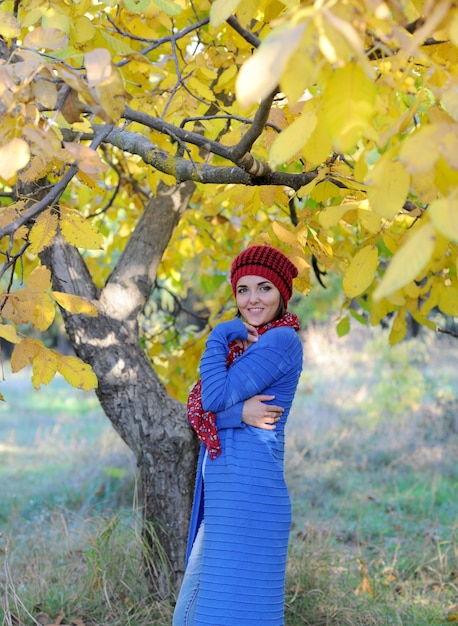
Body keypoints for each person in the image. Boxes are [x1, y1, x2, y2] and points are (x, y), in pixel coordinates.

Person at [173, 245, 304, 626]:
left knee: (229, 613)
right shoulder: (241, 347)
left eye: (264, 288)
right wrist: (239, 413)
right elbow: (199, 406)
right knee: (192, 613)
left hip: (251, 492)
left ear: (281, 292)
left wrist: (218, 332)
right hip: (229, 491)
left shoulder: (281, 341)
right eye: (243, 290)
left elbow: (210, 397)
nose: (252, 299)